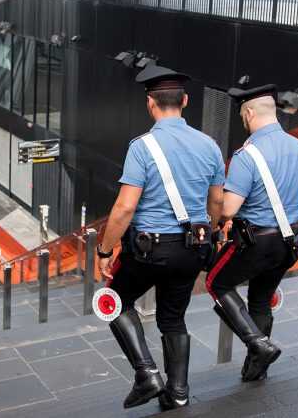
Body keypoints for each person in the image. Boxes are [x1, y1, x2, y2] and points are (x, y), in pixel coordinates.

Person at [96, 64, 225, 410]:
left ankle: (147, 373)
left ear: (150, 103)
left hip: (149, 250)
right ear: (185, 101)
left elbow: (125, 207)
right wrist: (210, 234)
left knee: (114, 300)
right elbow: (216, 202)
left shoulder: (142, 147)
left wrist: (105, 250)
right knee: (173, 318)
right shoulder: (210, 145)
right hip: (194, 248)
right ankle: (178, 393)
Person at [205, 84, 298, 383]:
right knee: (261, 299)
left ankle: (258, 344)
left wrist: (214, 206)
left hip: (257, 242)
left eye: (243, 116)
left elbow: (229, 209)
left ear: (249, 113)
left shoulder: (247, 155)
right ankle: (256, 369)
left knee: (216, 282)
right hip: (291, 241)